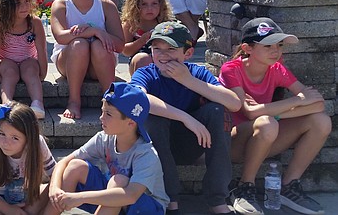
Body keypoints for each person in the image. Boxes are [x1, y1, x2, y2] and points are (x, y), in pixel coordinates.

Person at [219, 18, 331, 215]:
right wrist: (297, 101)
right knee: (266, 122)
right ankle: (245, 187)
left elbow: (317, 104)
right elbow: (249, 112)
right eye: (268, 45)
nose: (276, 51)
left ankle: (288, 186)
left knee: (321, 120)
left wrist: (274, 111)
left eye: (279, 45)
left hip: (267, 137)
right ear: (248, 48)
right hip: (233, 143)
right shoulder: (231, 69)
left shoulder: (277, 68)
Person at [129, 21, 241, 214]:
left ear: (187, 53)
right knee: (152, 117)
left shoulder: (197, 72)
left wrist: (187, 80)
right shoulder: (145, 73)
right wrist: (185, 117)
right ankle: (170, 200)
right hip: (156, 145)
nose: (163, 55)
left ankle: (217, 200)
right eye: (157, 49)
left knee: (217, 111)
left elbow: (234, 103)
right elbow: (136, 99)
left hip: (192, 143)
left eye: (171, 49)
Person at [47, 83, 168, 215]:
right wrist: (54, 188)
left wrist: (79, 198)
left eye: (108, 114)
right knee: (75, 166)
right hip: (114, 202)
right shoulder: (104, 138)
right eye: (102, 111)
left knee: (118, 181)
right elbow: (64, 162)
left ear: (131, 122)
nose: (101, 117)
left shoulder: (146, 154)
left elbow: (131, 196)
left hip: (146, 208)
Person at [50, 0, 124, 119]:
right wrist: (94, 31)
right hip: (69, 61)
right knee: (79, 44)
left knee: (98, 46)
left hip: (101, 61)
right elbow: (60, 37)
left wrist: (98, 32)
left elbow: (120, 45)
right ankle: (74, 101)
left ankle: (109, 100)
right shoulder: (61, 5)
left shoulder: (106, 6)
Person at [0, 102, 55, 214]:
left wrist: (32, 209)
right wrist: (7, 209)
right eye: (2, 134)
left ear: (28, 138)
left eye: (15, 138)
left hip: (28, 199)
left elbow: (56, 175)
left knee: (59, 184)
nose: (6, 143)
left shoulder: (37, 142)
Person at [0, 0, 48, 119]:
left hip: (28, 59)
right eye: (17, 3)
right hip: (7, 60)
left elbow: (41, 49)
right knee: (9, 73)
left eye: (27, 1)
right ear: (7, 6)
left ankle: (37, 104)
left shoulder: (34, 23)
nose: (24, 6)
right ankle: (7, 103)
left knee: (30, 70)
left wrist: (43, 73)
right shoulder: (1, 23)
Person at [120, 0, 175, 75]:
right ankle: (143, 86)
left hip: (162, 59)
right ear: (135, 6)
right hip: (139, 61)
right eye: (144, 4)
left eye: (154, 4)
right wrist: (142, 40)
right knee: (143, 59)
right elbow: (125, 51)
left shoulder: (165, 24)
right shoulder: (131, 24)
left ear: (161, 5)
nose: (149, 8)